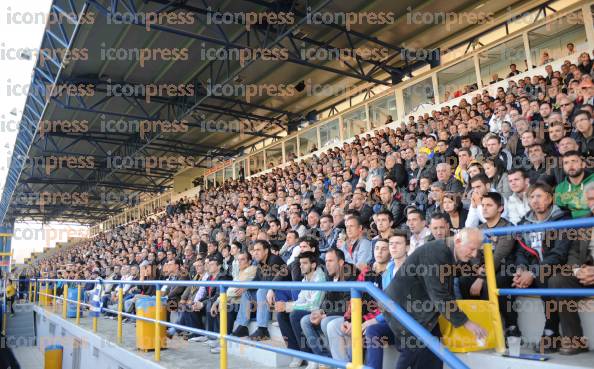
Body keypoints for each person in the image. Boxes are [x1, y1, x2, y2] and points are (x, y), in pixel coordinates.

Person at [383, 228, 488, 369]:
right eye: (472, 249)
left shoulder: (449, 251)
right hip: (404, 309)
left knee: (433, 356)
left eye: (477, 250)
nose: (474, 254)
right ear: (457, 241)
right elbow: (439, 294)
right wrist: (466, 322)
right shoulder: (437, 252)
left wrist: (480, 274)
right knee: (414, 351)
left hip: (420, 310)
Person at [515, 182, 571, 353]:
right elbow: (521, 253)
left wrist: (532, 272)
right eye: (531, 197)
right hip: (532, 271)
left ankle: (551, 332)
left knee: (543, 276)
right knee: (503, 279)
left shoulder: (562, 219)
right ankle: (511, 330)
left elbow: (559, 254)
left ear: (549, 198)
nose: (535, 200)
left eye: (539, 196)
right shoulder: (525, 223)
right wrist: (520, 270)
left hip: (558, 268)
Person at [548, 182, 594, 355]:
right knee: (557, 280)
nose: (592, 202)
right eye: (589, 199)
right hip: (586, 272)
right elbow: (573, 252)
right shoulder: (583, 223)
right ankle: (575, 340)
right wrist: (577, 271)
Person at [275, 251, 326, 369]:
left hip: (319, 311)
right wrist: (286, 306)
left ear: (313, 265)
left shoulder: (320, 278)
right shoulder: (305, 279)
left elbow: (314, 305)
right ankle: (296, 353)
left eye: (304, 263)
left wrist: (288, 306)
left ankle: (309, 356)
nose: (301, 266)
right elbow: (300, 300)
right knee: (281, 314)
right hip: (309, 308)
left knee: (294, 314)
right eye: (300, 263)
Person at [555, 150, 594, 218]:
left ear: (583, 164)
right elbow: (562, 212)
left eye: (574, 161)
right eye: (566, 163)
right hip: (572, 225)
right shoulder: (560, 188)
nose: (570, 165)